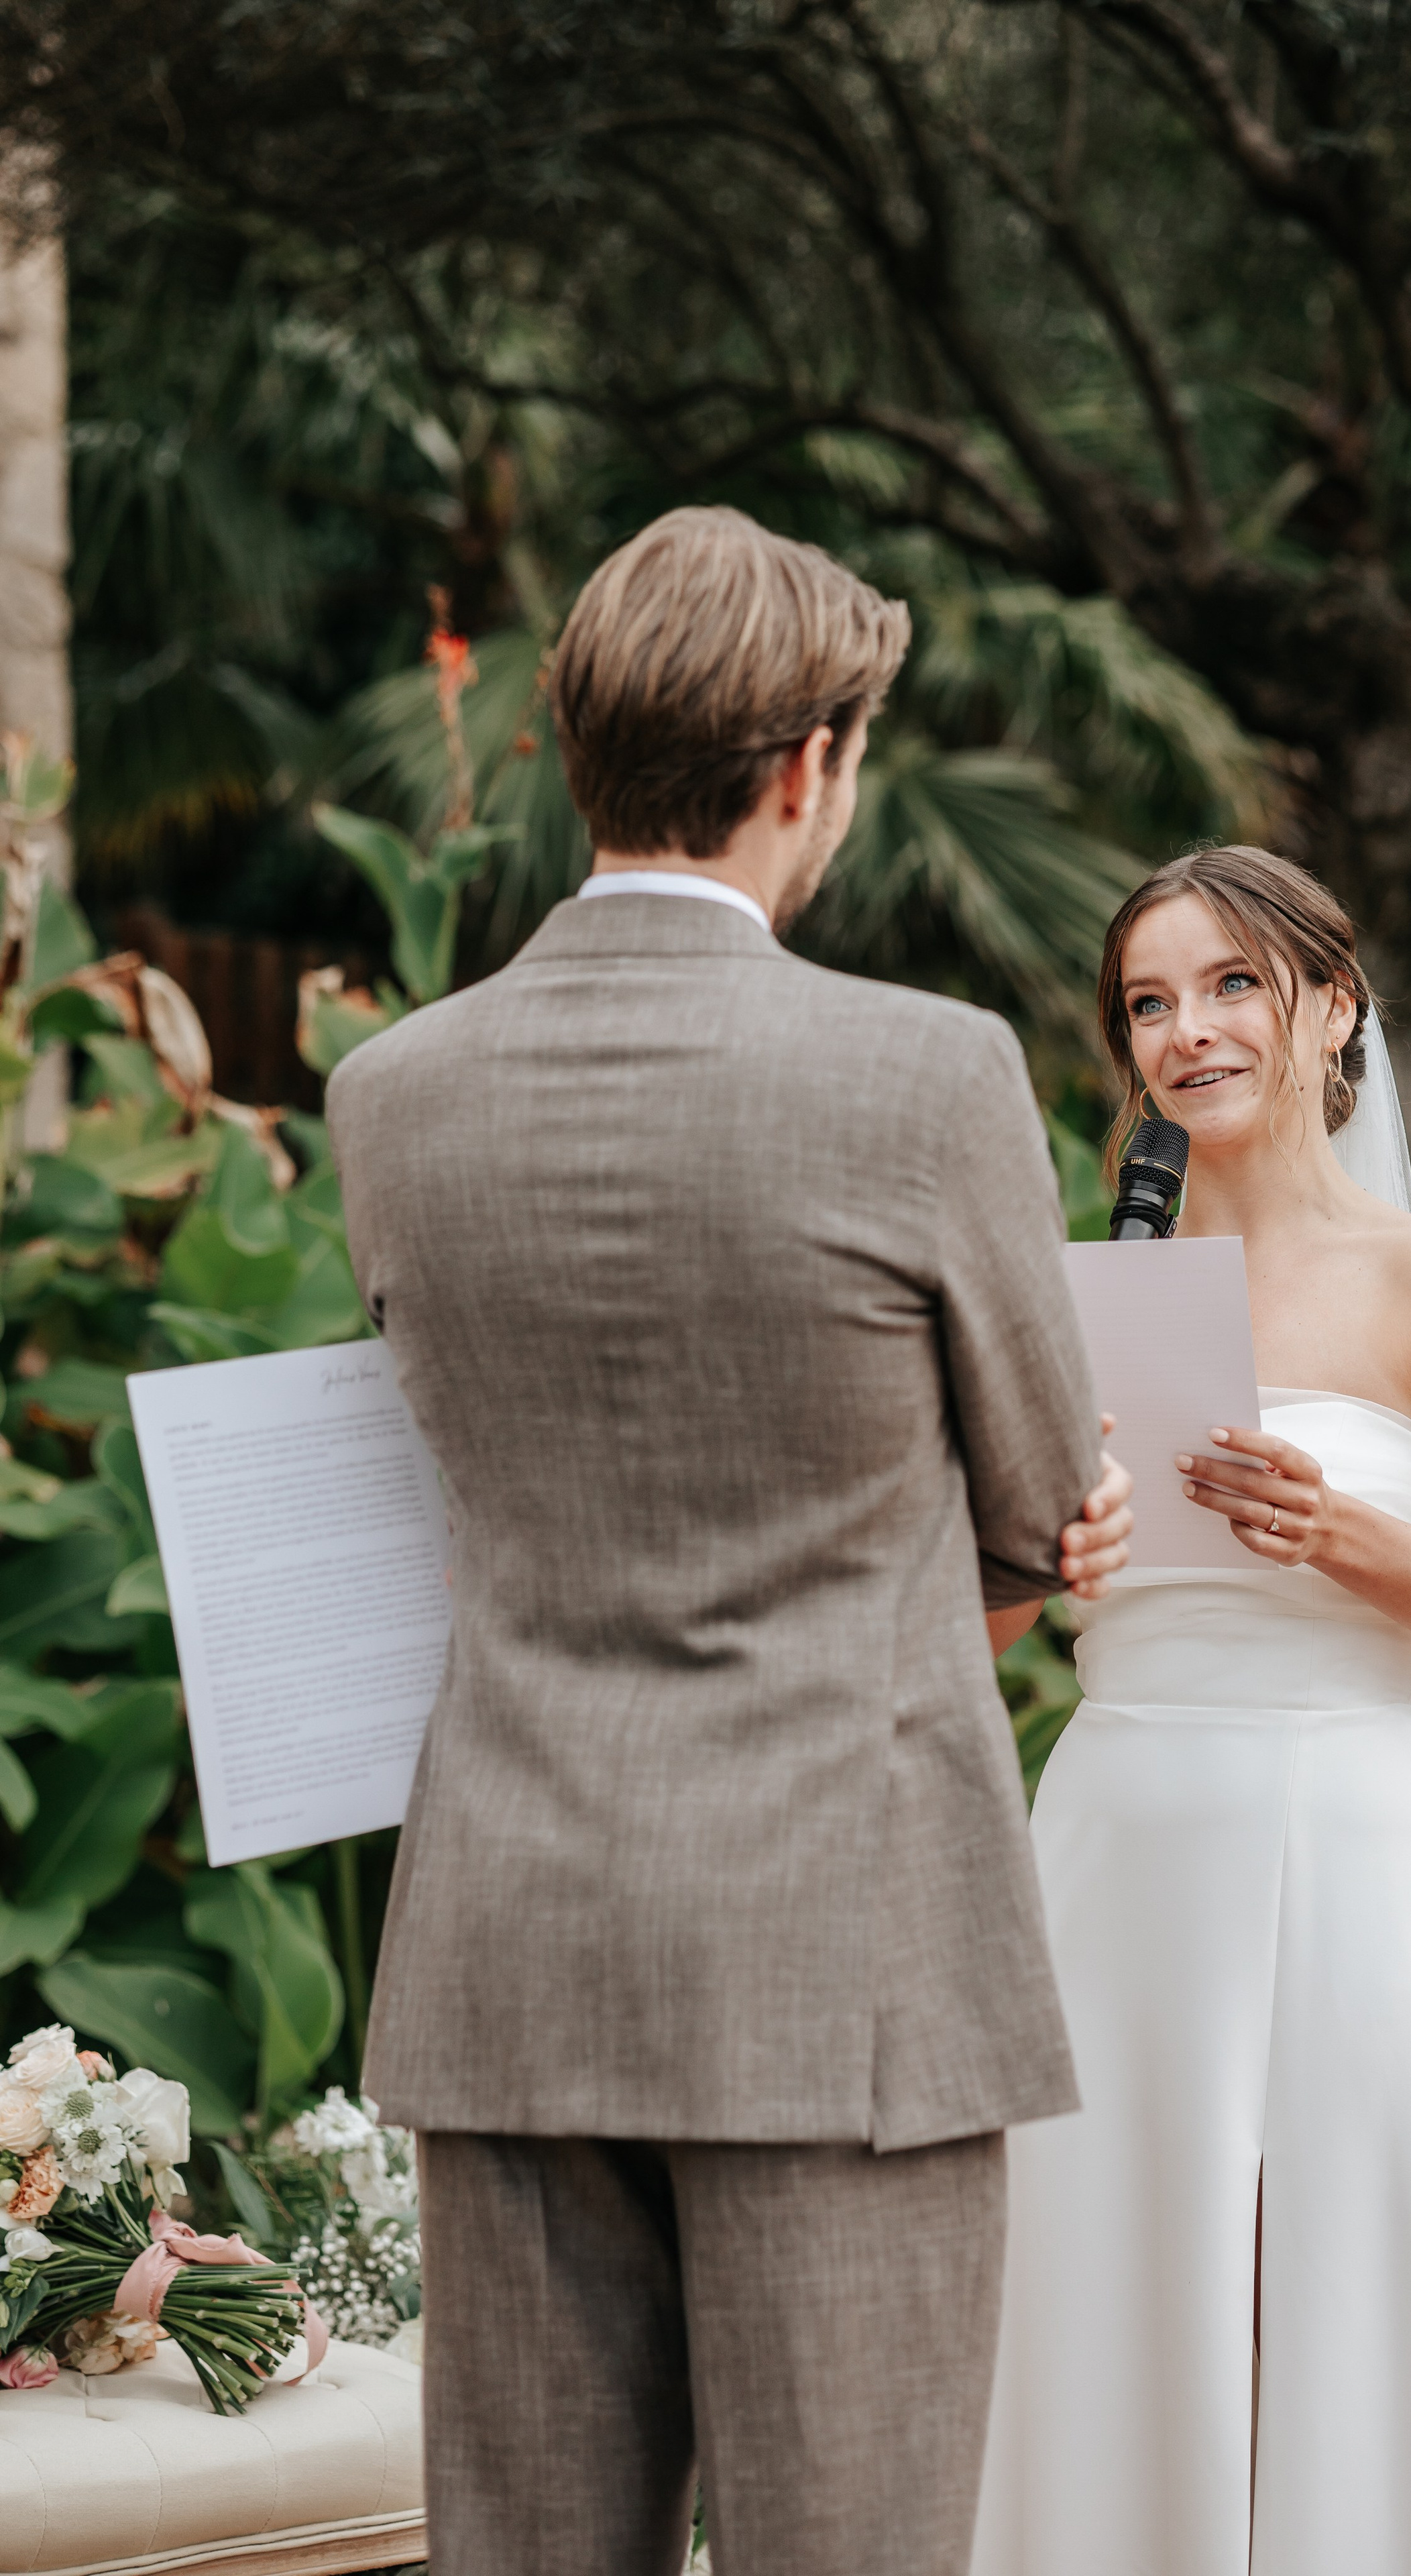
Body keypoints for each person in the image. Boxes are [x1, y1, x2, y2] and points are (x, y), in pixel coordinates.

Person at [325, 505, 1133, 2576]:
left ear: (574, 746)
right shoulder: (929, 1074)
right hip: (839, 1960)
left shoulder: (395, 1093)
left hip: (512, 1948)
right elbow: (1048, 1510)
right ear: (811, 768)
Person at [970, 845, 1411, 2576]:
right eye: (1150, 1004)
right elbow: (994, 1616)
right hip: (1118, 1836)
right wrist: (1052, 1541)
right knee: (1117, 2283)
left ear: (1332, 1008)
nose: (1188, 1031)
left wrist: (1342, 1537)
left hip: (1352, 1842)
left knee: (1342, 2285)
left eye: (1232, 984)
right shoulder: (1086, 1288)